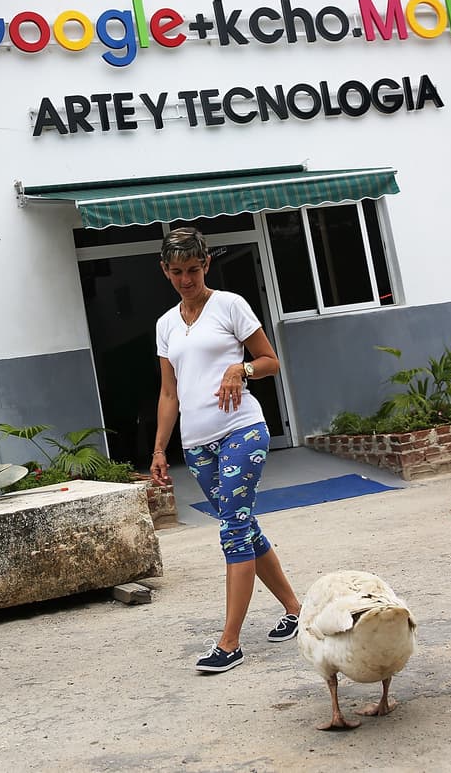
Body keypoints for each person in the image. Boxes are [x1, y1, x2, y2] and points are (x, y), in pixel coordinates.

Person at [150, 227, 303, 674]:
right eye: (177, 272)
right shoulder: (165, 325)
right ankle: (296, 608)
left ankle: (230, 642)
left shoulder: (230, 305)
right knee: (245, 526)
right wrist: (160, 451)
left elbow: (271, 360)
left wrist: (242, 367)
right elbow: (168, 394)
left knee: (233, 533)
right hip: (197, 445)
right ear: (165, 270)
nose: (186, 279)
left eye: (193, 270)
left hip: (242, 431)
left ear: (206, 265)